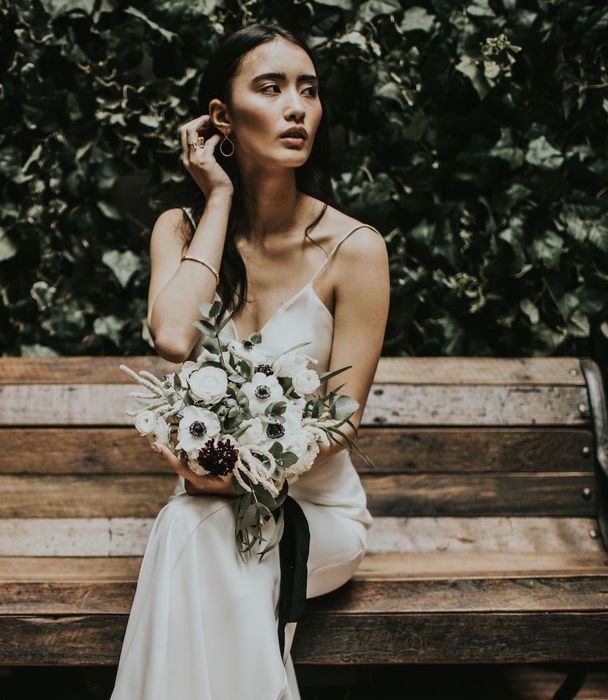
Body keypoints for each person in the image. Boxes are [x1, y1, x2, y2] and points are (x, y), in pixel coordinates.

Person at [110, 22, 389, 700]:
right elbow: (174, 337)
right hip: (208, 500)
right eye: (271, 89)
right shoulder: (180, 229)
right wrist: (219, 197)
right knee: (199, 529)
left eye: (309, 91)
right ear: (221, 118)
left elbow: (342, 418)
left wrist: (255, 475)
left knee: (203, 535)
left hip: (315, 513)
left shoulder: (355, 249)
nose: (297, 107)